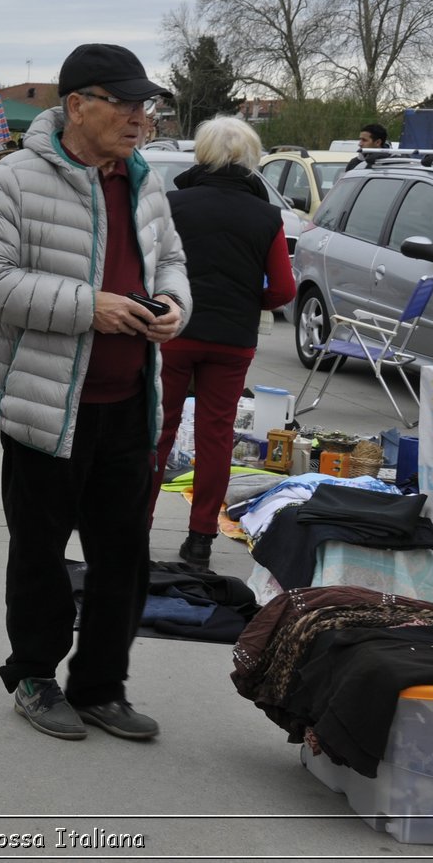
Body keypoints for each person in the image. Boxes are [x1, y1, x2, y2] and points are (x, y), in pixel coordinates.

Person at [0, 42, 190, 744]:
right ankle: (33, 674)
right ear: (77, 106)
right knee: (40, 549)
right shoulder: (17, 181)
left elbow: (173, 258)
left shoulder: (145, 180)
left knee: (123, 552)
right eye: (123, 102)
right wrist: (85, 305)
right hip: (45, 402)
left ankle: (101, 686)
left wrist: (175, 303)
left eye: (144, 105)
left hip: (128, 399)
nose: (138, 117)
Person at [149, 116, 296, 570]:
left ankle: (135, 524)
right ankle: (200, 539)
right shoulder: (267, 215)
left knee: (156, 429)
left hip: (173, 330)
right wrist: (251, 297)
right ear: (250, 159)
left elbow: (147, 265)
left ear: (203, 154)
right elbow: (284, 291)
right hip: (232, 339)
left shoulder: (171, 203)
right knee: (216, 435)